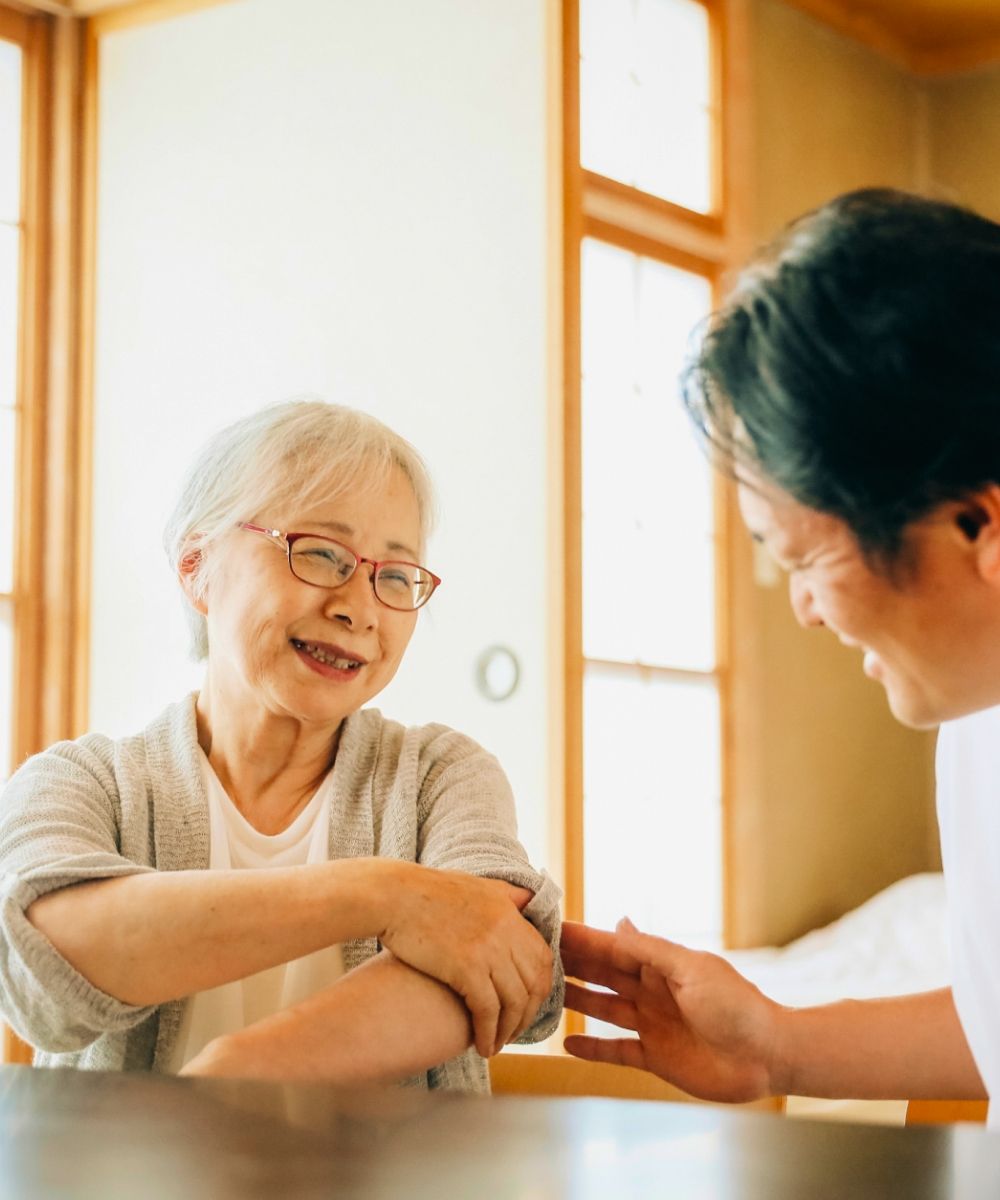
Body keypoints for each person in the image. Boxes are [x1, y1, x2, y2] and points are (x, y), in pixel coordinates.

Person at [562, 189, 1000, 1122]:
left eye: (805, 557)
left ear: (980, 522)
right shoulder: (974, 724)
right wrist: (776, 1045)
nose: (802, 609)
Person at [0, 400, 561, 1091]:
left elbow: (497, 964)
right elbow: (48, 963)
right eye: (320, 554)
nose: (358, 607)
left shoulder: (440, 775)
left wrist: (239, 1072)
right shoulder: (82, 781)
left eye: (393, 576)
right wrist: (387, 895)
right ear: (196, 567)